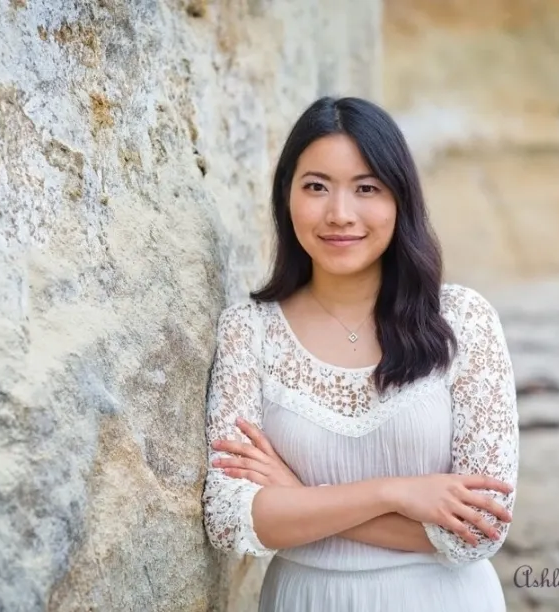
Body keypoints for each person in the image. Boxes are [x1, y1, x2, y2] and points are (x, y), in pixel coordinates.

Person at [201, 96, 519, 611]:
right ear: (287, 197)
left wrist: (298, 495)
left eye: (366, 188)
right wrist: (394, 493)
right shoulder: (249, 330)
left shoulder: (462, 320)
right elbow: (229, 520)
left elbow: (479, 531)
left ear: (400, 199)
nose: (339, 214)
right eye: (316, 187)